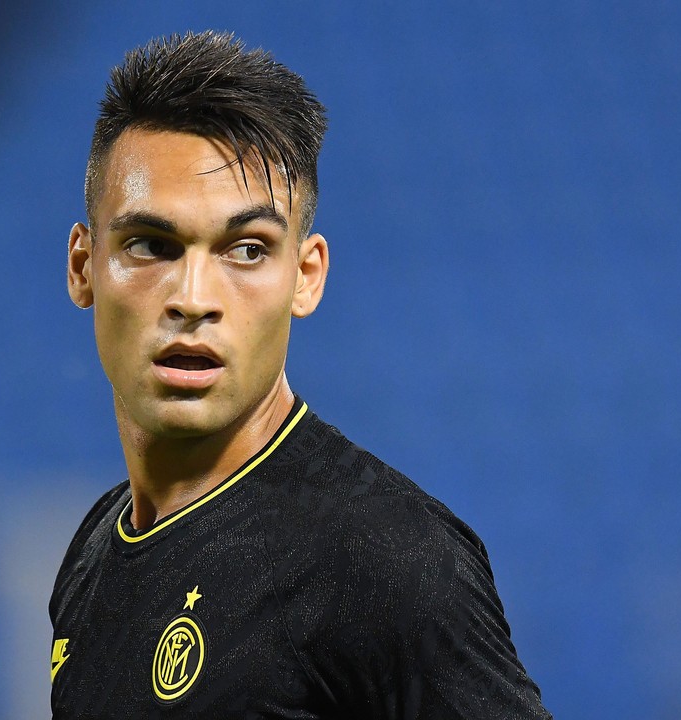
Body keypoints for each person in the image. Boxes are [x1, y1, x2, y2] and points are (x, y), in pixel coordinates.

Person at [51, 30, 552, 719]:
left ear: (306, 276)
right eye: (151, 245)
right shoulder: (91, 553)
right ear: (83, 266)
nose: (193, 298)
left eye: (247, 250)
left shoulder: (385, 562)